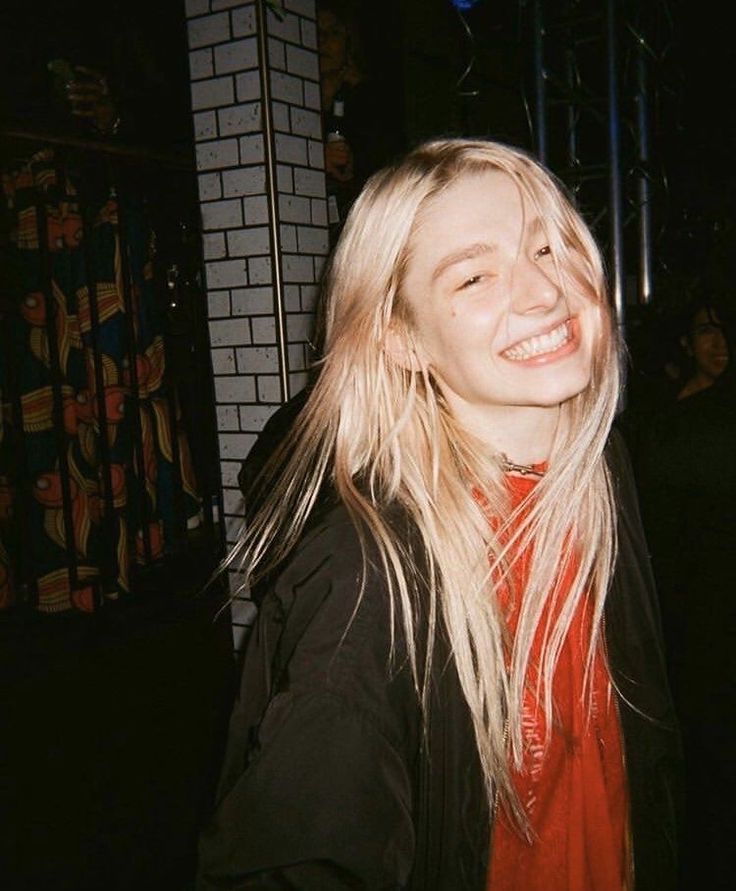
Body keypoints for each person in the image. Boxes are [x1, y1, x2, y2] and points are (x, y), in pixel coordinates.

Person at [196, 138, 681, 890]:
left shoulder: (597, 473)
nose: (544, 292)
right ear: (402, 336)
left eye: (548, 247)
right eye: (475, 277)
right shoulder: (368, 575)